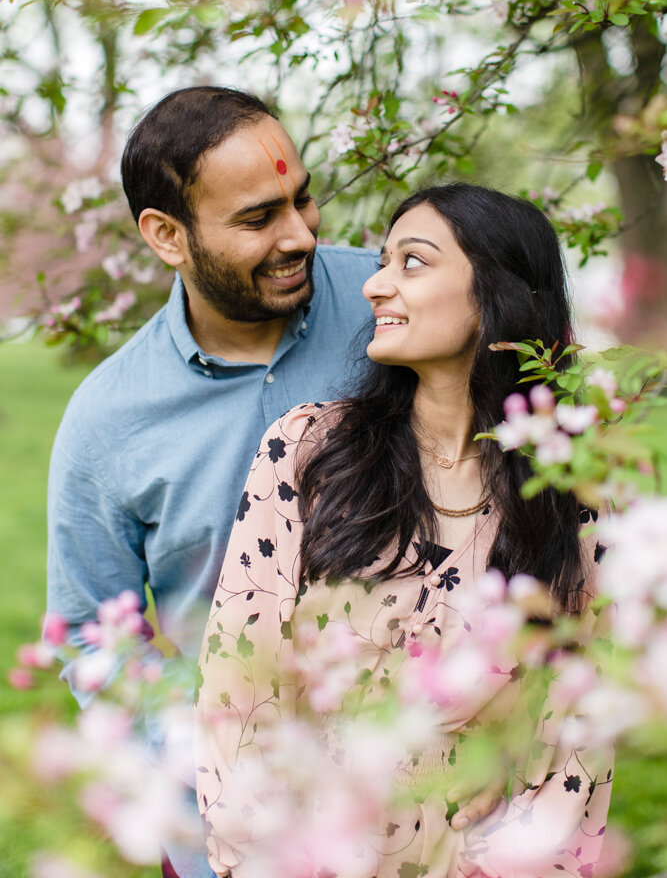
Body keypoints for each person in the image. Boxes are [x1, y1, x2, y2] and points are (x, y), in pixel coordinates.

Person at [195, 183, 613, 878]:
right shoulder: (308, 452)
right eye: (382, 262)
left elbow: (580, 722)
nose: (375, 286)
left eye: (411, 263)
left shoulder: (574, 489)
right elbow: (236, 689)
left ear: (496, 296)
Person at [46, 86, 378, 878]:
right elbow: (92, 627)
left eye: (302, 199)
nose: (299, 234)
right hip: (230, 828)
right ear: (167, 236)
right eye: (259, 218)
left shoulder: (391, 309)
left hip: (420, 795)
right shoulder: (107, 420)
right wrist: (191, 747)